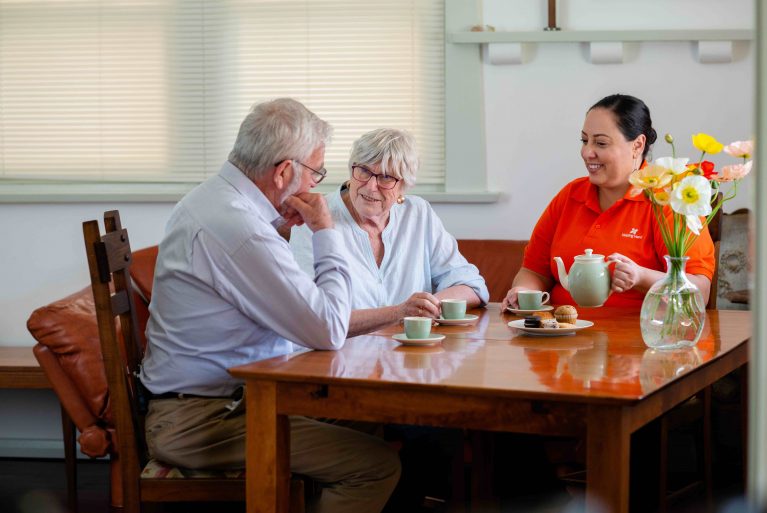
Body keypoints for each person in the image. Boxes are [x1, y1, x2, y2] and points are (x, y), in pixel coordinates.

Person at [139, 98, 400, 513]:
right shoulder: (240, 229)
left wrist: (279, 230)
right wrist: (323, 232)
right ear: (282, 172)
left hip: (218, 400)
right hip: (202, 420)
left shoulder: (215, 200)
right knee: (375, 465)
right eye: (315, 172)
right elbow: (329, 329)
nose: (316, 186)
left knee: (372, 418)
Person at [502, 94, 715, 311]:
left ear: (638, 145)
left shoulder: (667, 200)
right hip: (560, 334)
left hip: (635, 338)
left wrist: (641, 277)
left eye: (601, 143)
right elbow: (534, 271)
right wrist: (523, 291)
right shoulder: (570, 195)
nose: (587, 152)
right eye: (585, 141)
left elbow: (699, 293)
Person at [290, 127, 489, 336]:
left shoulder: (418, 214)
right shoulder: (316, 219)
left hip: (410, 357)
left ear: (404, 185)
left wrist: (425, 306)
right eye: (364, 171)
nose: (370, 186)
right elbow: (313, 316)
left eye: (386, 177)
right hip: (339, 359)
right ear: (351, 170)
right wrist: (400, 312)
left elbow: (471, 285)